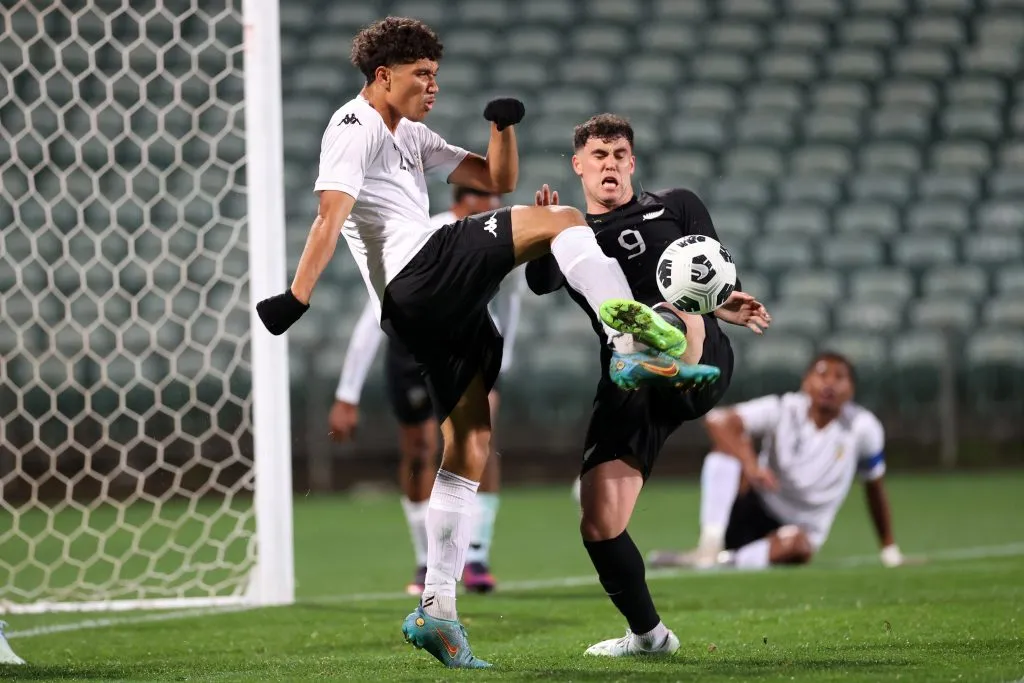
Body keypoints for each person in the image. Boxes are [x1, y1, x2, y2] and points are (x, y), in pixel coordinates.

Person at [254, 19, 702, 669]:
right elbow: (331, 212)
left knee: (469, 443)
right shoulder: (351, 129)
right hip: (423, 268)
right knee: (565, 221)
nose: (433, 86)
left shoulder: (411, 133)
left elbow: (497, 176)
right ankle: (624, 338)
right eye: (421, 76)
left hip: (424, 312)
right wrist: (298, 295)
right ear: (383, 76)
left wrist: (501, 128)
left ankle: (438, 608)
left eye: (437, 76)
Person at [526, 113, 772, 658]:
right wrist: (545, 228)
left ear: (632, 163)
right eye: (598, 156)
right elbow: (538, 282)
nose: (609, 165)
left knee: (666, 308)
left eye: (618, 156)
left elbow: (708, 273)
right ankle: (650, 636)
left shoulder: (677, 206)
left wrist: (728, 304)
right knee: (599, 520)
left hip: (696, 358)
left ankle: (652, 333)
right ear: (579, 166)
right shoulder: (572, 236)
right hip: (628, 379)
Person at [329, 186, 524, 595]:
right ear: (464, 198)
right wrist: (348, 392)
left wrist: (504, 355)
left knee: (480, 443)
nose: (496, 204)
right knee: (418, 450)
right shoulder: (425, 234)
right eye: (488, 196)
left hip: (468, 348)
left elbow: (511, 298)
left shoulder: (498, 235)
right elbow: (375, 312)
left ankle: (475, 553)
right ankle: (424, 558)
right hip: (411, 353)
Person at [647, 352, 904, 571]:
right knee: (723, 453)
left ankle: (718, 561)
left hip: (798, 530)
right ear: (806, 382)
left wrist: (889, 548)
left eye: (839, 377)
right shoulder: (785, 408)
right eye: (822, 374)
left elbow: (874, 487)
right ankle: (709, 545)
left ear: (851, 389)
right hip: (752, 506)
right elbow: (718, 420)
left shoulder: (863, 428)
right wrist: (751, 464)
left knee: (799, 547)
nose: (829, 384)